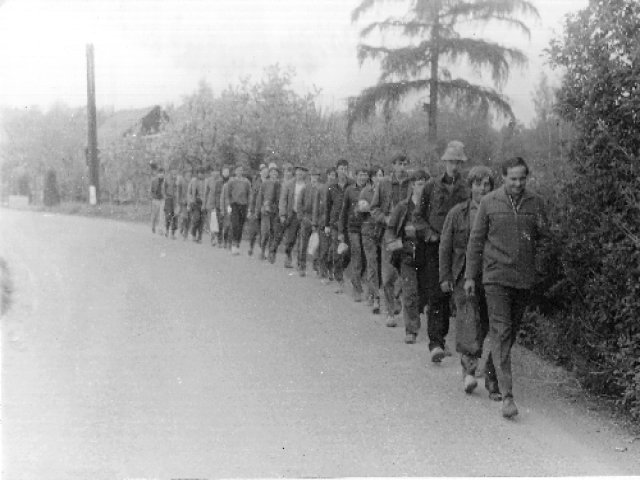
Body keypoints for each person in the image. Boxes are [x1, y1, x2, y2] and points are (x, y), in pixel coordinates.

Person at [465, 157, 548, 419]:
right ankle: (507, 396)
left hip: (523, 279)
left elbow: (545, 239)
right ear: (503, 178)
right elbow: (476, 241)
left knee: (509, 332)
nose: (518, 183)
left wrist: (538, 268)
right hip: (495, 278)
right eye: (513, 178)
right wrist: (470, 276)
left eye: (522, 178)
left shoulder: (536, 203)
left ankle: (492, 374)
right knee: (500, 331)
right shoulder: (489, 202)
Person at [439, 166, 500, 399]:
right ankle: (469, 372)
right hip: (462, 275)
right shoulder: (457, 213)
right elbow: (445, 246)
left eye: (486, 184)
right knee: (468, 322)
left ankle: (481, 366)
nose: (482, 189)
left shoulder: (497, 212)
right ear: (470, 186)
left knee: (484, 323)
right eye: (477, 184)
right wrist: (445, 276)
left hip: (491, 276)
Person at [418, 140, 469, 362]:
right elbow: (418, 217)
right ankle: (436, 343)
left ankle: (447, 339)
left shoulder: (467, 188)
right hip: (435, 247)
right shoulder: (431, 187)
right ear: (445, 162)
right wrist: (429, 234)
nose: (454, 166)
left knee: (453, 295)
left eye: (458, 162)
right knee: (436, 294)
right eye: (451, 161)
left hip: (459, 251)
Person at [385, 170, 429, 343]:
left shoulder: (432, 207)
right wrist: (395, 244)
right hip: (407, 256)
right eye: (419, 184)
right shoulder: (403, 207)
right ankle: (411, 330)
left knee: (426, 294)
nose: (422, 188)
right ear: (412, 185)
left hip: (426, 256)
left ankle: (430, 330)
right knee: (410, 293)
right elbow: (391, 229)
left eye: (425, 184)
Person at [370, 154, 412, 326]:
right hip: (389, 233)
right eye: (399, 164)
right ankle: (390, 312)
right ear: (393, 165)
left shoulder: (411, 184)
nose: (402, 167)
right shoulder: (384, 184)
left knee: (405, 272)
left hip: (407, 234)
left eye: (404, 164)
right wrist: (385, 219)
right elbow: (374, 208)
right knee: (388, 274)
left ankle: (397, 299)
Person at [338, 166, 369, 302]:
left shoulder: (371, 190)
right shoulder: (349, 190)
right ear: (356, 176)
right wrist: (341, 231)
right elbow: (343, 211)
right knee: (357, 256)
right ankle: (357, 289)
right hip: (353, 228)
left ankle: (357, 280)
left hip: (367, 228)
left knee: (365, 257)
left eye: (365, 175)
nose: (363, 177)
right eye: (361, 175)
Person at [324, 159, 352, 294]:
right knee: (337, 253)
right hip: (335, 224)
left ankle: (340, 270)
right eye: (341, 169)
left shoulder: (352, 185)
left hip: (349, 224)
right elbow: (328, 207)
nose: (343, 171)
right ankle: (339, 281)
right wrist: (327, 225)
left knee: (349, 253)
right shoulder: (331, 187)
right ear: (337, 170)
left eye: (345, 169)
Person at [360, 166, 385, 314]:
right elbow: (360, 209)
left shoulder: (387, 191)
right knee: (372, 263)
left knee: (385, 264)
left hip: (383, 231)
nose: (379, 178)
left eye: (381, 175)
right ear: (372, 177)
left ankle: (374, 292)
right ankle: (375, 297)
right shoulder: (365, 191)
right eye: (377, 175)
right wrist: (369, 208)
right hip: (369, 231)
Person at [279, 165, 308, 268]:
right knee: (290, 239)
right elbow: (283, 200)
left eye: (302, 171)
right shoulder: (289, 184)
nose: (300, 173)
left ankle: (300, 262)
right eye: (298, 171)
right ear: (295, 172)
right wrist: (282, 214)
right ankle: (288, 256)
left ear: (305, 173)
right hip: (292, 214)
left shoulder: (307, 185)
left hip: (304, 215)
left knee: (303, 239)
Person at [313, 168, 337, 281]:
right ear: (327, 175)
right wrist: (315, 222)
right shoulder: (321, 189)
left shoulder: (338, 189)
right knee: (324, 248)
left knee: (332, 249)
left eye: (334, 175)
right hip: (322, 222)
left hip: (334, 223)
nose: (332, 177)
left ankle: (330, 269)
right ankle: (322, 270)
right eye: (331, 175)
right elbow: (316, 207)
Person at [295, 167, 319, 277]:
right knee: (303, 243)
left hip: (317, 219)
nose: (314, 178)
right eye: (313, 176)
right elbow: (299, 204)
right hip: (306, 218)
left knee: (318, 244)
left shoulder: (321, 188)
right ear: (310, 177)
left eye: (316, 176)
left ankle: (316, 266)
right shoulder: (305, 188)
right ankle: (302, 266)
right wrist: (301, 217)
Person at [257, 163, 282, 262]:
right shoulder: (265, 183)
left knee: (274, 232)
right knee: (265, 232)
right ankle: (262, 250)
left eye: (276, 172)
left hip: (276, 212)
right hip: (266, 211)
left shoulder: (280, 184)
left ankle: (271, 253)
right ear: (269, 173)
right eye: (272, 172)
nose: (274, 174)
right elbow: (260, 197)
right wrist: (259, 209)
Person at [226, 164, 252, 255]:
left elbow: (249, 194)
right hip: (234, 205)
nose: (239, 172)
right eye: (238, 170)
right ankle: (233, 244)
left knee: (241, 226)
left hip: (243, 206)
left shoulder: (246, 181)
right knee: (235, 225)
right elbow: (228, 194)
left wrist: (249, 208)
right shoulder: (231, 181)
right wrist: (228, 205)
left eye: (241, 170)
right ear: (235, 171)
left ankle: (237, 244)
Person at [247, 164, 269, 256]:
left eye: (266, 172)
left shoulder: (269, 182)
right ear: (260, 173)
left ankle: (262, 250)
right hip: (255, 209)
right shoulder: (256, 182)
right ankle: (251, 247)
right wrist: (250, 210)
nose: (265, 173)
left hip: (265, 210)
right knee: (253, 230)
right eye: (263, 172)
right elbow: (252, 197)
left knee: (263, 231)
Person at [214, 166, 231, 248]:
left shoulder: (231, 182)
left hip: (228, 206)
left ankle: (226, 241)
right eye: (225, 172)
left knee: (227, 225)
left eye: (227, 172)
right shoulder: (218, 182)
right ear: (222, 173)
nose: (226, 173)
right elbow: (216, 194)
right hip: (219, 206)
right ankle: (219, 240)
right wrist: (216, 205)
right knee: (220, 224)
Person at [203, 166, 220, 245]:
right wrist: (204, 204)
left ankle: (218, 237)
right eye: (214, 171)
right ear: (212, 172)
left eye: (217, 171)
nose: (215, 173)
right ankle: (213, 238)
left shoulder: (221, 180)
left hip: (219, 204)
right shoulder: (209, 180)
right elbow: (206, 193)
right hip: (210, 203)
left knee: (218, 221)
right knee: (212, 220)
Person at [188, 167, 206, 243]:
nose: (201, 174)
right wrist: (190, 201)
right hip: (195, 202)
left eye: (202, 173)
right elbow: (189, 192)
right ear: (197, 173)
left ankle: (200, 237)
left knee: (202, 221)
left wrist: (205, 203)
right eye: (199, 173)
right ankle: (193, 234)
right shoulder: (193, 181)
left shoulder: (206, 181)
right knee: (196, 218)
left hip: (203, 202)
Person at [163, 168, 178, 239]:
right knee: (168, 215)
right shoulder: (167, 179)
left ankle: (173, 234)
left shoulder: (178, 180)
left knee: (175, 216)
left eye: (175, 173)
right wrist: (165, 196)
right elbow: (163, 188)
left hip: (176, 200)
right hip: (168, 199)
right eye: (173, 172)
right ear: (171, 172)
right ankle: (166, 230)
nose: (174, 174)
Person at [177, 168, 192, 240]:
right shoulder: (181, 182)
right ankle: (185, 232)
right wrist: (179, 200)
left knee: (189, 218)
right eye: (187, 175)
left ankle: (184, 229)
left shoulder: (192, 182)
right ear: (184, 175)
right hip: (183, 202)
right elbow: (179, 192)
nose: (188, 176)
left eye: (189, 175)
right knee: (185, 217)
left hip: (191, 202)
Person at [150, 167, 164, 234]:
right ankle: (153, 226)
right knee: (155, 215)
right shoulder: (154, 181)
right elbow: (151, 190)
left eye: (162, 173)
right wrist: (153, 197)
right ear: (157, 173)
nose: (161, 174)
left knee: (162, 215)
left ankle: (160, 229)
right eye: (160, 173)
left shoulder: (165, 181)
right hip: (155, 199)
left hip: (162, 199)